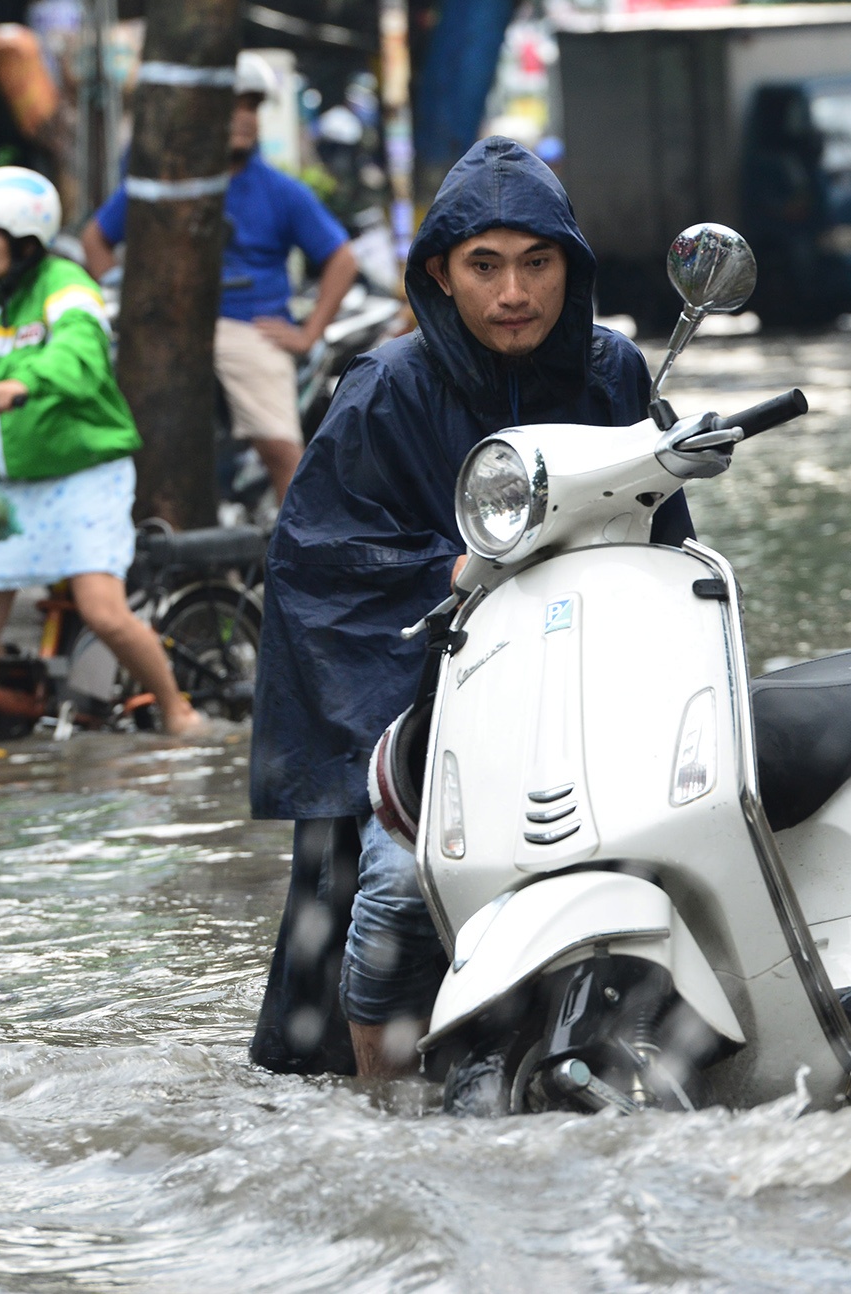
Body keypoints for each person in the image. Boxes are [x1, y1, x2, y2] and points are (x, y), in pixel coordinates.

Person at [246, 136, 694, 1080]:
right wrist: (447, 577)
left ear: (572, 266)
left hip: (585, 687)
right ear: (441, 275)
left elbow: (667, 550)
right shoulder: (383, 392)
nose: (514, 295)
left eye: (538, 264)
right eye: (484, 267)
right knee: (399, 892)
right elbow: (317, 567)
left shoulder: (613, 375)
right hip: (424, 705)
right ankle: (383, 1105)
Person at [0, 166, 203, 736]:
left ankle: (178, 711)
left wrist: (21, 382)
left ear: (23, 241)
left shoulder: (66, 285)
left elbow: (80, 353)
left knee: (103, 611)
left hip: (83, 478)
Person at [82, 52, 359, 503]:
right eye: (233, 106)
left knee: (282, 450)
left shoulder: (279, 191)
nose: (245, 118)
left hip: (247, 327)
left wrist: (309, 334)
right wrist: (124, 295)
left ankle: (306, 553)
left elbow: (342, 259)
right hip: (163, 327)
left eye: (252, 106)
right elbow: (95, 238)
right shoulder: (168, 179)